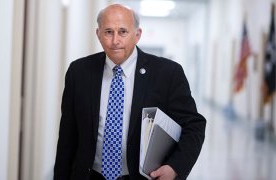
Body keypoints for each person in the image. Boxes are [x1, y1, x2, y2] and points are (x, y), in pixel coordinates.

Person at [54, 4, 206, 180]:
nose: (115, 40)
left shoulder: (167, 74)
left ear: (137, 35)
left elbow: (194, 126)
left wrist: (174, 167)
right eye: (108, 32)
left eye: (123, 32)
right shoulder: (79, 72)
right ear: (98, 34)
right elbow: (67, 137)